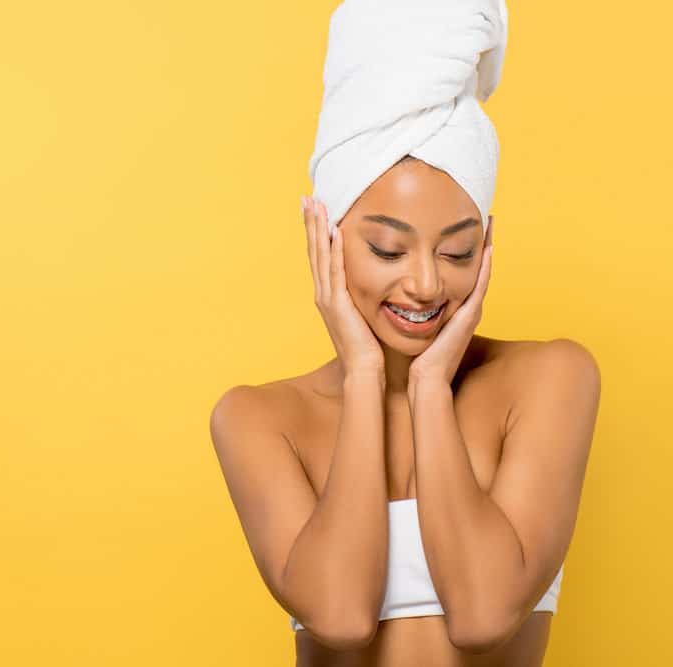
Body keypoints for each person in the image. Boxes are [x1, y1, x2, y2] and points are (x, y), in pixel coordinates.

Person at [211, 3, 601, 665]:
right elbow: (340, 615)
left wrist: (428, 388)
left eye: (456, 253)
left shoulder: (548, 381)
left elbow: (482, 614)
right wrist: (365, 372)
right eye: (389, 251)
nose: (425, 285)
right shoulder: (258, 418)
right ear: (326, 240)